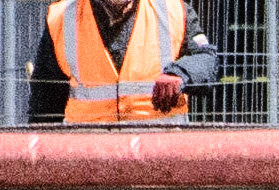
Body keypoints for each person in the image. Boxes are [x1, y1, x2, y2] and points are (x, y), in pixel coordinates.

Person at [30, 0, 218, 124]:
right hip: (89, 161)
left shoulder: (173, 10)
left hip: (159, 158)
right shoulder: (62, 18)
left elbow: (206, 59)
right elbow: (44, 101)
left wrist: (180, 74)